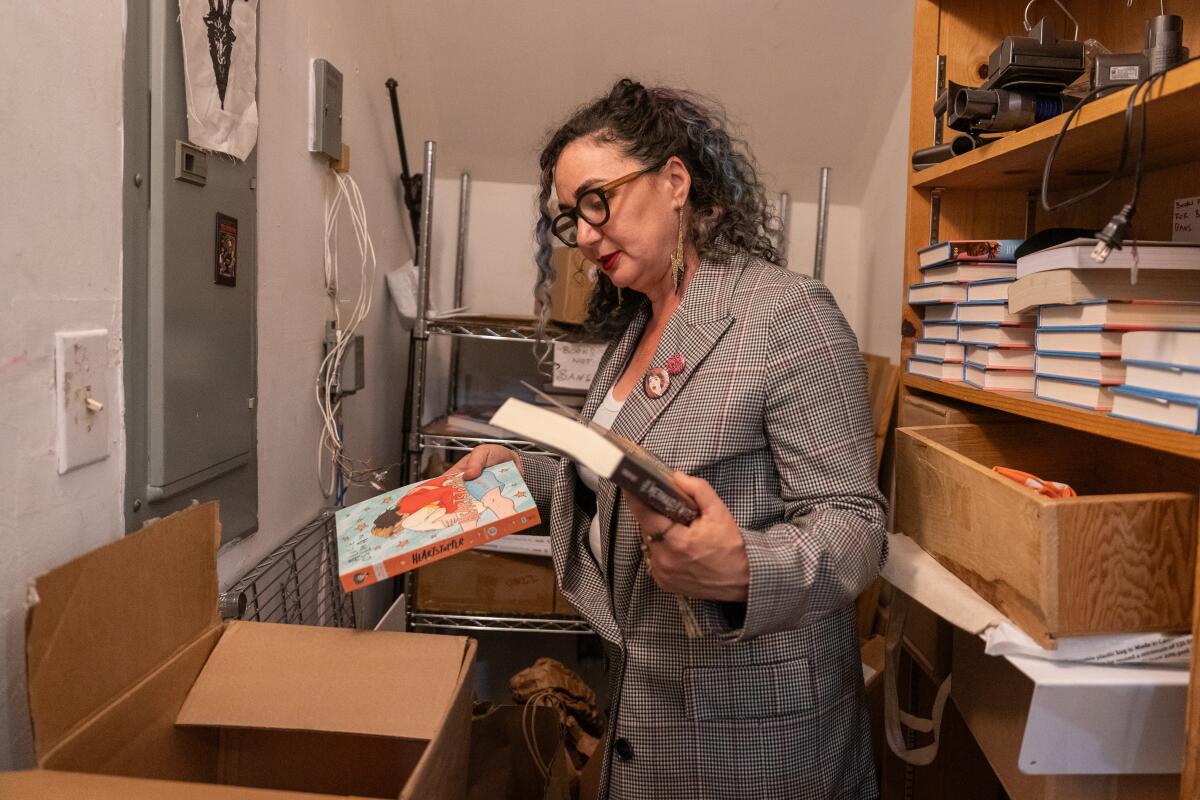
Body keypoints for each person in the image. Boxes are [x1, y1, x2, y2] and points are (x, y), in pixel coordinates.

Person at [452, 78, 887, 800]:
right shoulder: (637, 330)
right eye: (571, 218)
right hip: (650, 715)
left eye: (599, 199)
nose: (585, 234)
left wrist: (746, 566)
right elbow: (617, 474)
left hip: (753, 741)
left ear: (675, 181)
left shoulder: (785, 314)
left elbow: (857, 526)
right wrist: (521, 472)